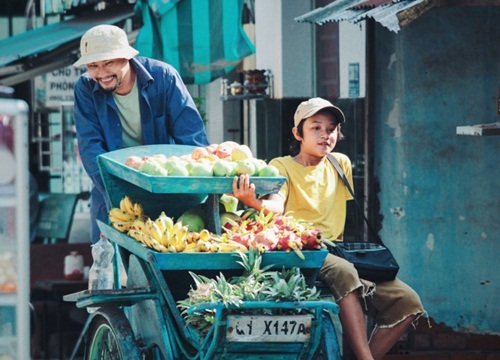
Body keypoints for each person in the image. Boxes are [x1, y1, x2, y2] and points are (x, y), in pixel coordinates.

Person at [232, 97, 426, 360]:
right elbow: (276, 205)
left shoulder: (340, 163)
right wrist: (253, 202)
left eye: (331, 128)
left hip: (338, 251)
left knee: (408, 302)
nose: (326, 135)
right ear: (297, 133)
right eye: (316, 127)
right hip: (301, 251)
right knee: (345, 273)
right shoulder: (281, 166)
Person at [73, 24, 209, 244]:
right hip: (110, 191)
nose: (101, 73)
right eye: (93, 65)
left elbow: (192, 141)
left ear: (126, 57)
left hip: (164, 188)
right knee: (109, 269)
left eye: (109, 63)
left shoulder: (164, 77)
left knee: (167, 265)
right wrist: (116, 193)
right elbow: (91, 148)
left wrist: (194, 195)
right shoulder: (85, 88)